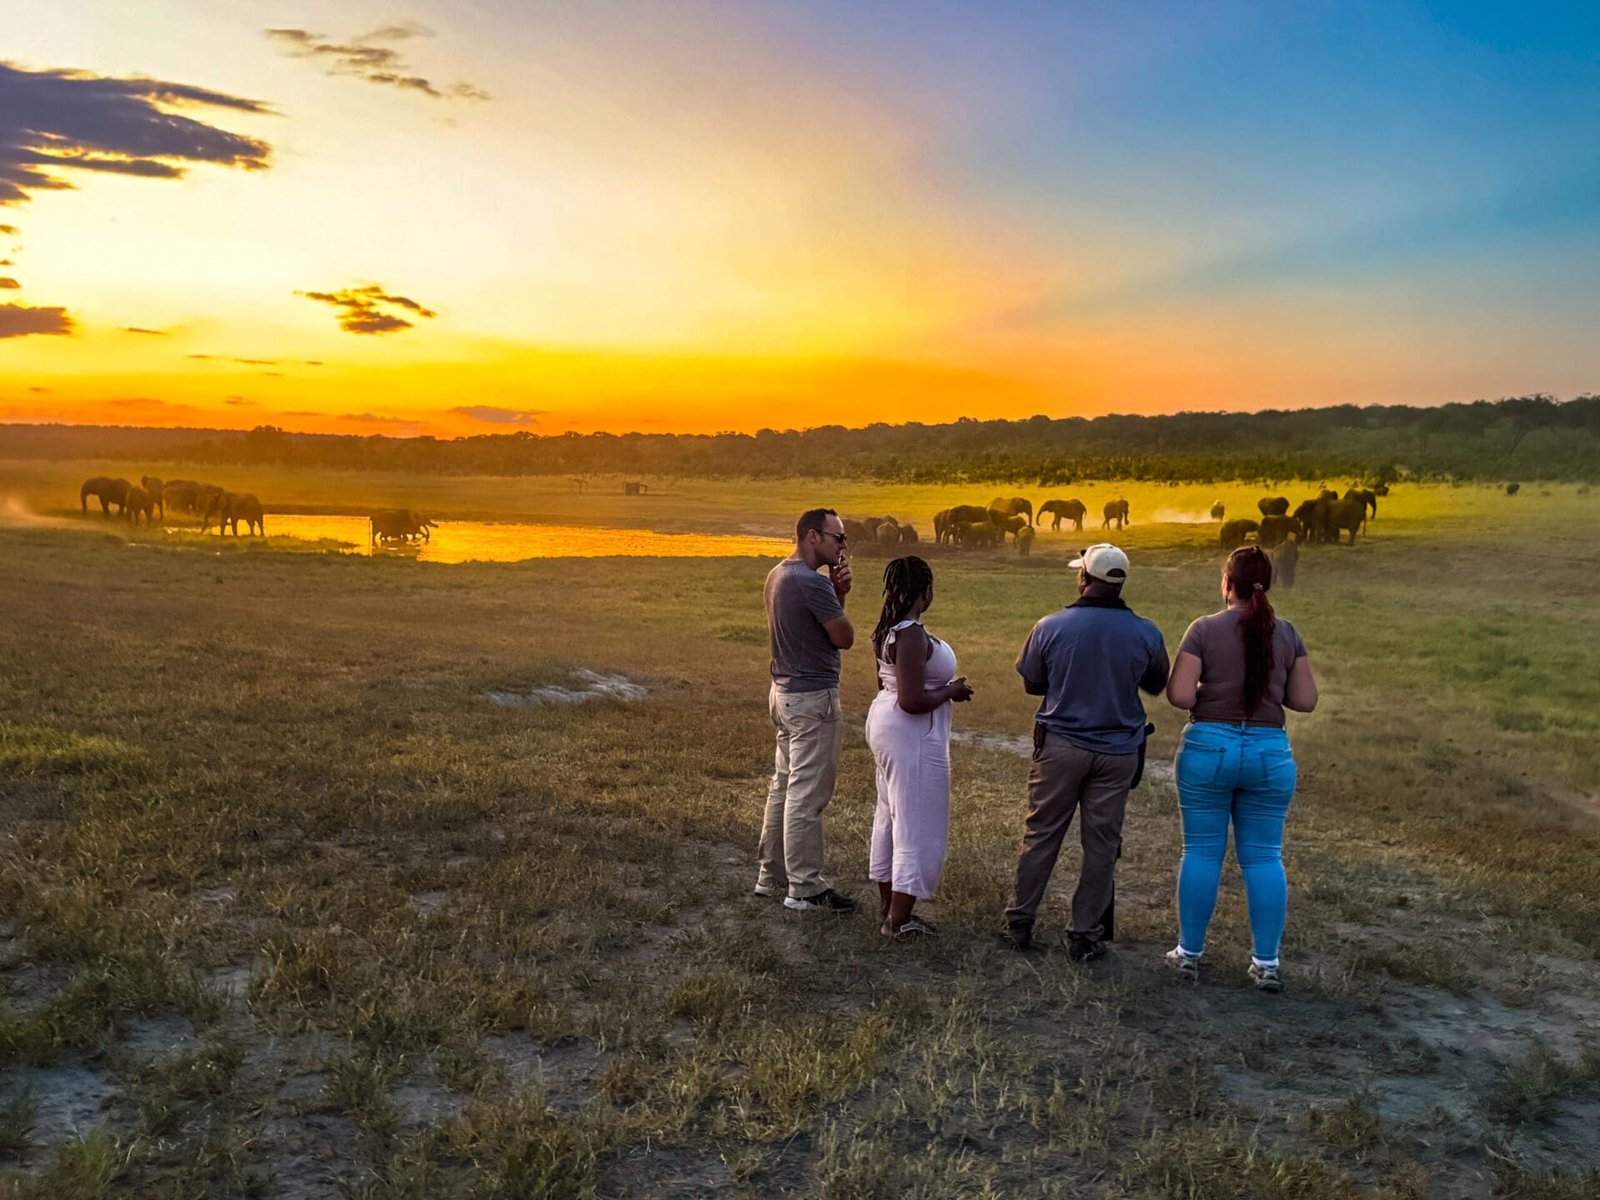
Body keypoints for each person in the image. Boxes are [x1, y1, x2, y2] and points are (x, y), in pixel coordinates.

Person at [1164, 545, 1318, 991]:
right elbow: (1305, 700)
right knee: (1265, 857)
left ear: (1227, 583)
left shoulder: (1203, 629)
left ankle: (1189, 954)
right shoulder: (1287, 633)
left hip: (1209, 747)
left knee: (1201, 852)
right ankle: (1266, 962)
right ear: (1266, 584)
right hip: (1269, 752)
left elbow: (1179, 695)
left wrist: (1212, 689)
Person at [1006, 544, 1169, 959]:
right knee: (1102, 846)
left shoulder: (1050, 626)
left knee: (1042, 834)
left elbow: (1032, 683)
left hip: (1061, 747)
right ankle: (1084, 935)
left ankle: (1019, 923)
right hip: (1118, 752)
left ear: (1084, 578)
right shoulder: (1146, 632)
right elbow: (1156, 683)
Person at [865, 556, 975, 939]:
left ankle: (890, 909)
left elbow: (889, 685)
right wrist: (951, 691)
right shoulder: (910, 634)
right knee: (916, 823)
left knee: (892, 816)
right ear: (925, 592)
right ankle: (899, 921)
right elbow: (911, 701)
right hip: (910, 733)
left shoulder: (887, 630)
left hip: (889, 726)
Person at [756, 508, 857, 913]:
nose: (843, 545)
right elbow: (844, 637)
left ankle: (771, 876)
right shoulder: (812, 583)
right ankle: (804, 888)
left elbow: (818, 630)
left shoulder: (778, 575)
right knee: (807, 794)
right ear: (812, 536)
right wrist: (836, 592)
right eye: (838, 537)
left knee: (784, 786)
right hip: (813, 699)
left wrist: (837, 593)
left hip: (784, 693)